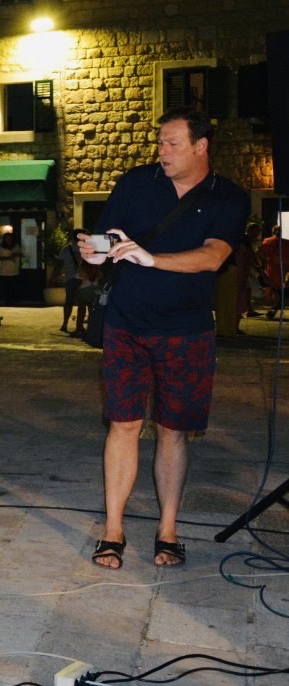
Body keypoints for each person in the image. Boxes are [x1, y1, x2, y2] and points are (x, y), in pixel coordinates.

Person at [77, 108, 248, 571]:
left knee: (173, 431)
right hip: (126, 325)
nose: (162, 152)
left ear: (201, 146)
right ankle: (113, 530)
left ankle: (168, 531)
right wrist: (93, 250)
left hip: (187, 331)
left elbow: (213, 257)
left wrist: (152, 258)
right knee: (123, 425)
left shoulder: (228, 197)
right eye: (159, 143)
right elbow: (105, 239)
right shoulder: (137, 182)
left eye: (172, 143)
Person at [57, 229, 87, 332]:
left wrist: (53, 277)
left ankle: (65, 323)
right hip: (84, 279)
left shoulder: (66, 249)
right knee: (82, 303)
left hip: (70, 278)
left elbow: (59, 265)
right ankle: (79, 326)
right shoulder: (87, 248)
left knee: (69, 302)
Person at [0, 232, 21, 303]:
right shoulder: (2, 248)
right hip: (4, 270)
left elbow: (20, 254)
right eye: (7, 238)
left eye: (10, 238)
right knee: (5, 286)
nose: (8, 239)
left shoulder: (16, 246)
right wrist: (8, 258)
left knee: (13, 285)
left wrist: (15, 254)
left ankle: (14, 299)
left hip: (14, 269)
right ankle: (7, 300)